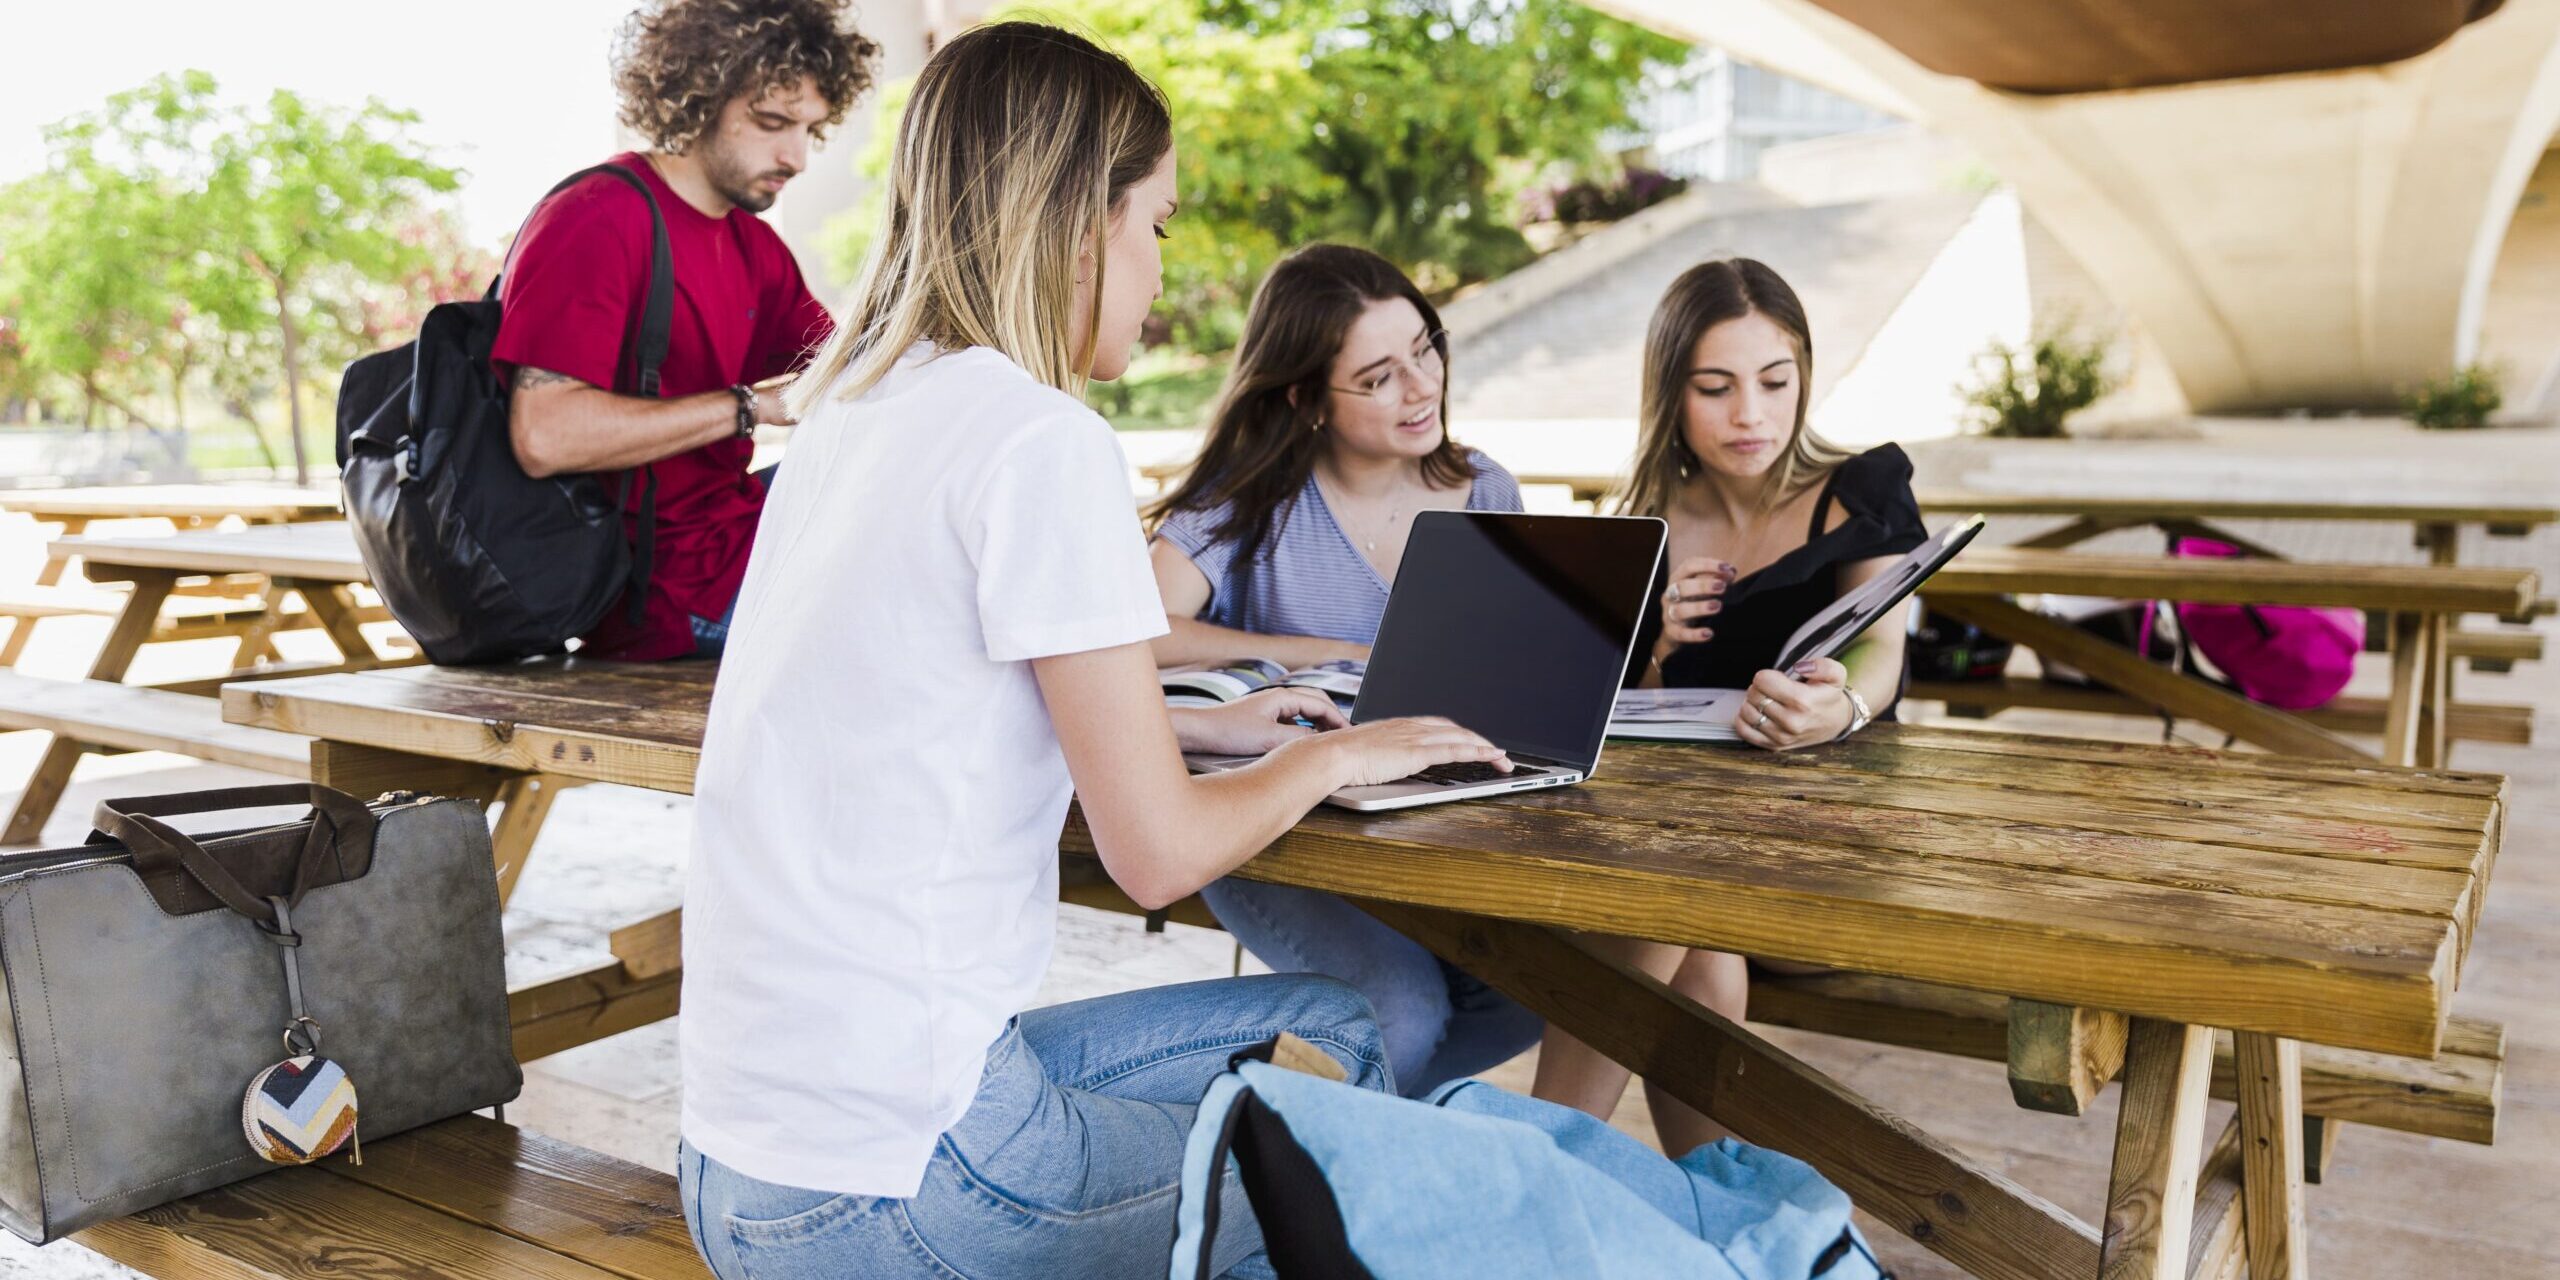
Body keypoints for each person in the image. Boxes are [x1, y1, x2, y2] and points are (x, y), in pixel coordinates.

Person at [675, 23, 1514, 1280]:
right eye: (1158, 224)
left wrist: (1219, 721)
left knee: (1335, 1024)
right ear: (1082, 221)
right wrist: (1335, 759)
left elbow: (934, 697)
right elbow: (1158, 853)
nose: (1162, 272)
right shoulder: (1040, 438)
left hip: (736, 1162)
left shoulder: (847, 409)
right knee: (1336, 1145)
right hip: (897, 1190)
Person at [1530, 257, 1926, 1157]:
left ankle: (1541, 1159)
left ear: (1804, 380)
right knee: (1686, 927)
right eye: (1716, 387)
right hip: (1698, 850)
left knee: (1662, 896)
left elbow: (1886, 644)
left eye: (1775, 381)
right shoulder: (1648, 521)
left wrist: (1844, 708)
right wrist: (1658, 648)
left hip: (1838, 845)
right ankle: (1725, 1212)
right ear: (1672, 393)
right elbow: (1630, 722)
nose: (1751, 413)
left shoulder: (1859, 492)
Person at [1145, 243, 1543, 1095]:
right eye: (1378, 376)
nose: (1421, 385)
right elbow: (1135, 635)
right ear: (1304, 397)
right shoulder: (1247, 501)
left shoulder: (1485, 492)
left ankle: (1305, 1117)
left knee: (1533, 992)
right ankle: (1311, 1163)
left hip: (1433, 815)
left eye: (1425, 349)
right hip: (1272, 823)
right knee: (1397, 1011)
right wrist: (1330, 656)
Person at [492, 0, 877, 660]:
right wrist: (749, 406)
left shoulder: (754, 246)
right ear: (700, 95)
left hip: (739, 544)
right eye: (772, 122)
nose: (797, 157)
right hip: (665, 596)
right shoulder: (596, 217)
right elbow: (543, 434)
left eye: (809, 130)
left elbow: (850, 368)